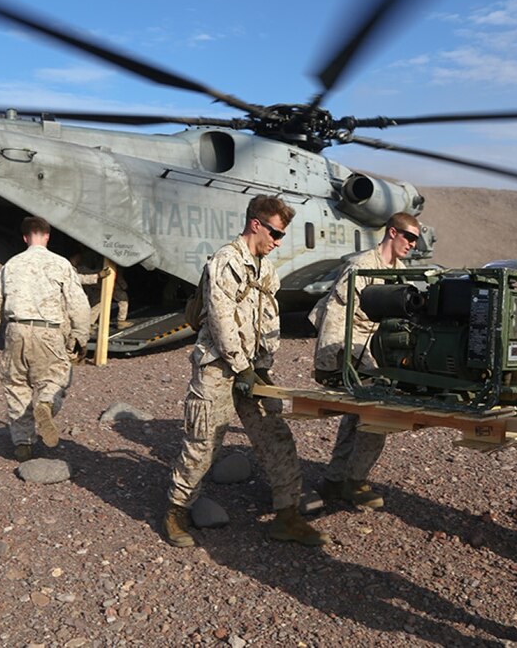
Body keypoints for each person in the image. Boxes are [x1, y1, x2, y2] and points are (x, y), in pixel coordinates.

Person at [163, 195, 330, 548]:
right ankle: (176, 511)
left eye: (282, 235)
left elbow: (270, 319)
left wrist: (263, 367)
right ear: (256, 224)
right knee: (203, 444)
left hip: (251, 371)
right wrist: (240, 369)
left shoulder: (266, 269)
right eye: (276, 233)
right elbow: (221, 320)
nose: (279, 241)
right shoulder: (226, 261)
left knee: (276, 437)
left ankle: (287, 516)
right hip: (218, 370)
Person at [308, 212, 421, 510]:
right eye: (408, 237)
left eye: (415, 240)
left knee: (355, 416)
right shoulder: (361, 267)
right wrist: (329, 362)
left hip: (376, 349)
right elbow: (335, 314)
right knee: (377, 415)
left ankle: (334, 480)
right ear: (392, 233)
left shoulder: (400, 270)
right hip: (352, 347)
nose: (411, 244)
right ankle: (355, 480)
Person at [0, 216, 91, 462]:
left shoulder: (11, 265)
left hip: (16, 331)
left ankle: (23, 444)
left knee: (16, 386)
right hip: (49, 332)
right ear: (47, 236)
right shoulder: (60, 264)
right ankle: (47, 404)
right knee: (56, 378)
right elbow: (79, 303)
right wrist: (81, 336)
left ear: (25, 237)